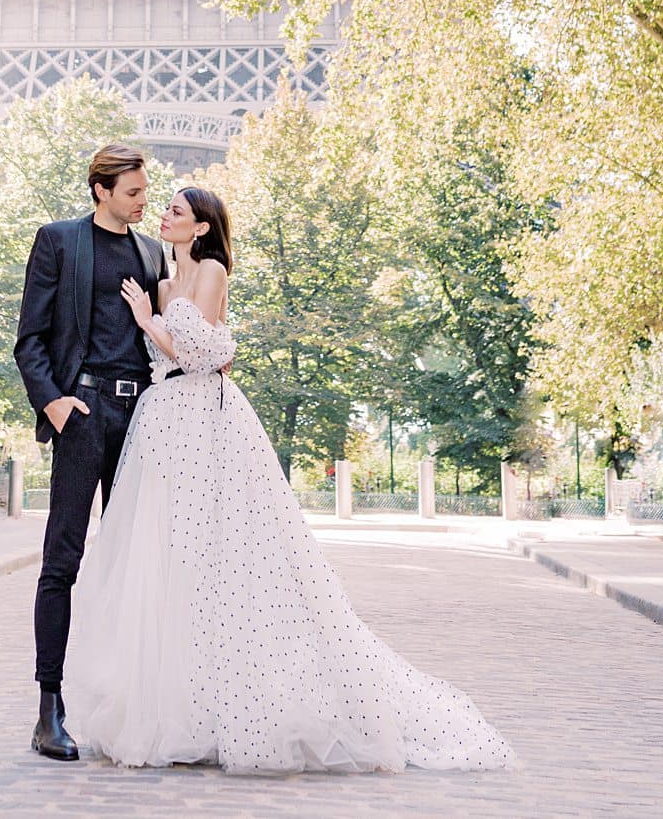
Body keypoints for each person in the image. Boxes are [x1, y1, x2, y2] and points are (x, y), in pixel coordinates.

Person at [64, 185, 514, 777]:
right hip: (165, 421)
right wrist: (160, 320)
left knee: (223, 560)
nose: (165, 216)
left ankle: (232, 707)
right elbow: (202, 352)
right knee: (172, 564)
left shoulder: (211, 274)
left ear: (201, 228)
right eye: (165, 208)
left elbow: (202, 357)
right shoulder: (167, 281)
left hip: (206, 422)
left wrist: (149, 323)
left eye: (176, 211)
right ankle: (183, 707)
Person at [13, 142, 166, 762]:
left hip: (142, 417)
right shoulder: (58, 241)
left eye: (145, 190)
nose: (144, 201)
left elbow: (167, 333)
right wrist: (53, 403)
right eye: (133, 192)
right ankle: (49, 707)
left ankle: (136, 706)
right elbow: (30, 340)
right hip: (82, 412)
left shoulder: (153, 253)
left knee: (141, 565)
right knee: (63, 561)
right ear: (101, 189)